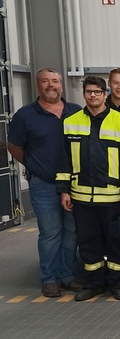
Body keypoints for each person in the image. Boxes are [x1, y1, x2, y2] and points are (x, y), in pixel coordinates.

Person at [56, 76, 120, 301]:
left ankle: (118, 284)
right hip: (81, 197)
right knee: (88, 243)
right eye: (89, 91)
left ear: (105, 94)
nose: (93, 95)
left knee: (115, 243)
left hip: (112, 197)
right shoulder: (70, 122)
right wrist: (64, 190)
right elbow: (64, 159)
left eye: (97, 92)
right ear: (84, 94)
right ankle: (94, 284)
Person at [8, 68, 82, 297]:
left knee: (72, 232)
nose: (51, 85)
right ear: (37, 85)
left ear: (61, 85)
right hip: (44, 183)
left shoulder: (75, 111)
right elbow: (14, 146)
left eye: (55, 81)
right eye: (45, 81)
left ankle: (68, 276)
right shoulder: (25, 115)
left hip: (74, 183)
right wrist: (35, 166)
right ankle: (50, 279)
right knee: (50, 232)